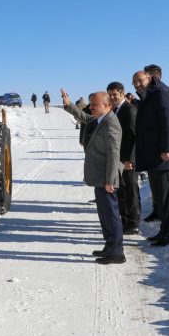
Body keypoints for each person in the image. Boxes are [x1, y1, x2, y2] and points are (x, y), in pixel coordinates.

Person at [61, 88, 124, 264]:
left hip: (106, 178)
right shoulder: (100, 119)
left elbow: (114, 154)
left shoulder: (111, 123)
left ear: (106, 105)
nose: (91, 108)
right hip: (100, 177)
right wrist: (69, 105)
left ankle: (117, 253)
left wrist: (110, 180)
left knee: (111, 215)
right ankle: (109, 246)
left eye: (94, 105)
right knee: (104, 214)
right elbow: (86, 118)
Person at [132, 70, 169, 246]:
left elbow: (168, 122)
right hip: (153, 155)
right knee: (159, 196)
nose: (137, 84)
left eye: (139, 80)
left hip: (162, 155)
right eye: (134, 82)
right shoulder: (148, 95)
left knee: (166, 196)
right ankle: (164, 230)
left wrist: (166, 148)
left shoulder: (160, 94)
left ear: (149, 78)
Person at [142, 64, 169, 219]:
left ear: (156, 77)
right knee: (156, 182)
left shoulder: (167, 92)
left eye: (148, 77)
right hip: (156, 146)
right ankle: (158, 209)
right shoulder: (149, 93)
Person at [107, 82, 140, 236]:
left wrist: (129, 160)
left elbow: (134, 137)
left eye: (115, 94)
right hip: (118, 159)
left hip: (128, 160)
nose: (112, 97)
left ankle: (133, 223)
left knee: (131, 190)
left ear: (122, 93)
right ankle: (125, 219)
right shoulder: (115, 110)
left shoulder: (129, 110)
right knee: (122, 191)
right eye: (110, 94)